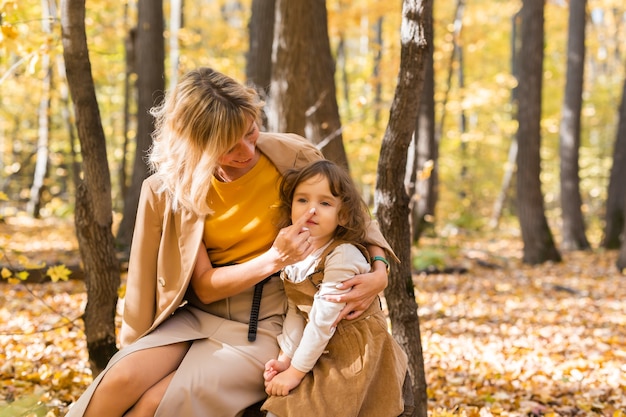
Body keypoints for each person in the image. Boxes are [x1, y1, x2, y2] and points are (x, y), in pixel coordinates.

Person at [65, 67, 396, 417]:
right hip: (193, 315)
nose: (246, 150)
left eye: (250, 132)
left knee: (153, 404)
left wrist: (380, 271)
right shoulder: (166, 191)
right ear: (195, 143)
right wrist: (274, 257)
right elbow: (185, 288)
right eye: (228, 146)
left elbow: (358, 220)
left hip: (271, 321)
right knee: (120, 381)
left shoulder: (293, 157)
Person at [260, 160, 408, 417]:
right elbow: (297, 311)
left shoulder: (343, 256)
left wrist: (295, 372)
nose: (312, 210)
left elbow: (321, 321)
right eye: (302, 200)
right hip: (321, 347)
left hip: (353, 354)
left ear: (343, 215)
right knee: (283, 409)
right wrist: (285, 358)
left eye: (325, 203)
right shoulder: (298, 255)